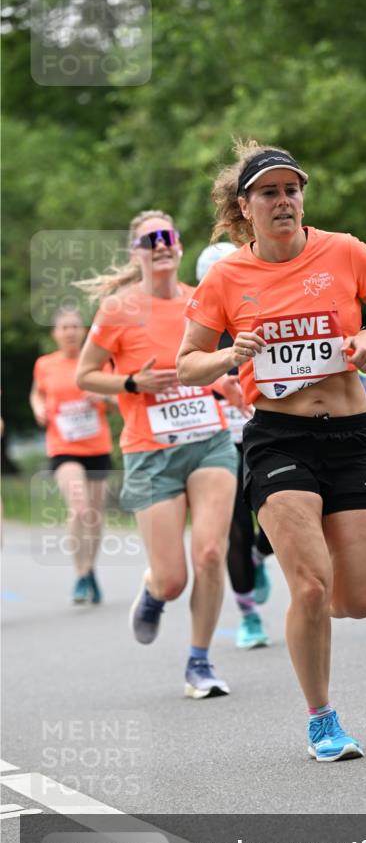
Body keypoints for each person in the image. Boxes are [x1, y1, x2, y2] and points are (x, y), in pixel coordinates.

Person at [177, 141, 366, 759]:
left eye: (291, 190)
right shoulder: (226, 277)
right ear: (245, 206)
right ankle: (322, 720)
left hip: (351, 438)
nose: (283, 201)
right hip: (280, 437)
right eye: (269, 193)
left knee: (355, 599)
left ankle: (290, 561)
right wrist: (230, 355)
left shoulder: (345, 251)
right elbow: (187, 364)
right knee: (309, 587)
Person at [75, 211, 238, 699]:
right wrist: (131, 382)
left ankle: (199, 663)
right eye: (151, 239)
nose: (162, 245)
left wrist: (224, 382)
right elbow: (85, 375)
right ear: (136, 253)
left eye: (169, 237)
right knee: (172, 579)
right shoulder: (119, 309)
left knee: (211, 553)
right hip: (150, 452)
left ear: (181, 247)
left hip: (209, 440)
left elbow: (207, 364)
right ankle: (152, 591)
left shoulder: (200, 299)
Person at [196, 243, 274, 650]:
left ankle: (264, 554)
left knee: (282, 523)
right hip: (220, 446)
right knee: (236, 533)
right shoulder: (196, 331)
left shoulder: (262, 316)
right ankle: (249, 616)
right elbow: (181, 375)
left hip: (267, 435)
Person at [30, 307, 113, 604]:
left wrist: (102, 395)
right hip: (63, 447)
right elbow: (37, 393)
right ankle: (80, 574)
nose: (70, 332)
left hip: (97, 447)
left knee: (94, 515)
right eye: (64, 327)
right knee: (78, 508)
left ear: (84, 331)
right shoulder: (45, 365)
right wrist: (38, 408)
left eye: (75, 327)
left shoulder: (97, 362)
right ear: (55, 333)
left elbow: (120, 398)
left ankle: (90, 570)